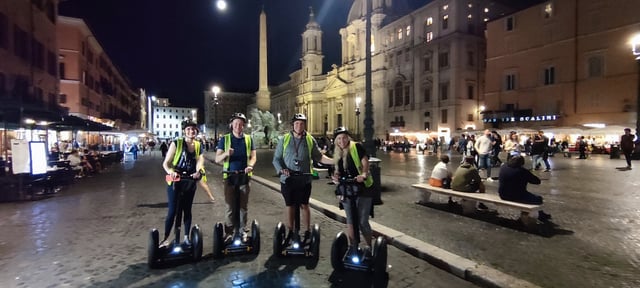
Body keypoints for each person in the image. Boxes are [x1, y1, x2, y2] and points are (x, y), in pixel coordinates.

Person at [272, 113, 333, 243]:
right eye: (297, 123)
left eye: (302, 123)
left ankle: (307, 231)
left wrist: (334, 161)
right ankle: (290, 230)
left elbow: (319, 157)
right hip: (288, 178)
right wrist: (281, 169)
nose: (299, 126)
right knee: (290, 205)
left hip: (304, 178)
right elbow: (276, 159)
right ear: (293, 125)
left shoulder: (310, 139)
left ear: (305, 125)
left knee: (304, 204)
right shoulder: (285, 139)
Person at [161, 120, 205, 246]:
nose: (191, 131)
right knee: (173, 210)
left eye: (193, 129)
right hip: (175, 180)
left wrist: (199, 171)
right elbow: (166, 163)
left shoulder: (198, 145)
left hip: (190, 180)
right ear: (184, 131)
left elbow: (200, 161)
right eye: (188, 129)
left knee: (187, 209)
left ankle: (186, 237)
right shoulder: (177, 143)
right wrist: (171, 172)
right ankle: (166, 238)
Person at [330, 127, 374, 249]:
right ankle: (353, 247)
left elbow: (365, 161)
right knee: (350, 220)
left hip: (363, 188)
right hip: (347, 189)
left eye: (344, 137)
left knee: (362, 221)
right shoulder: (337, 153)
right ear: (336, 141)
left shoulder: (356, 147)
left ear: (348, 138)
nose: (342, 141)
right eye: (339, 138)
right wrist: (336, 177)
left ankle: (369, 247)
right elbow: (337, 171)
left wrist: (364, 174)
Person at [215, 113, 257, 240]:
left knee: (243, 206)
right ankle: (229, 232)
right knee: (230, 206)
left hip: (244, 176)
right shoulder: (225, 139)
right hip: (229, 176)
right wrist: (226, 153)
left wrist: (250, 165)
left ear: (243, 125)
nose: (238, 126)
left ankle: (243, 230)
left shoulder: (249, 139)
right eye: (235, 123)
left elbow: (254, 156)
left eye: (240, 123)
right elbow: (217, 159)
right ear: (231, 125)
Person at [498, 155, 552, 222]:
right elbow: (537, 181)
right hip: (517, 196)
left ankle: (540, 215)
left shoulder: (504, 167)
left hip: (502, 194)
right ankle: (539, 215)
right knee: (538, 199)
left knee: (528, 196)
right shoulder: (522, 171)